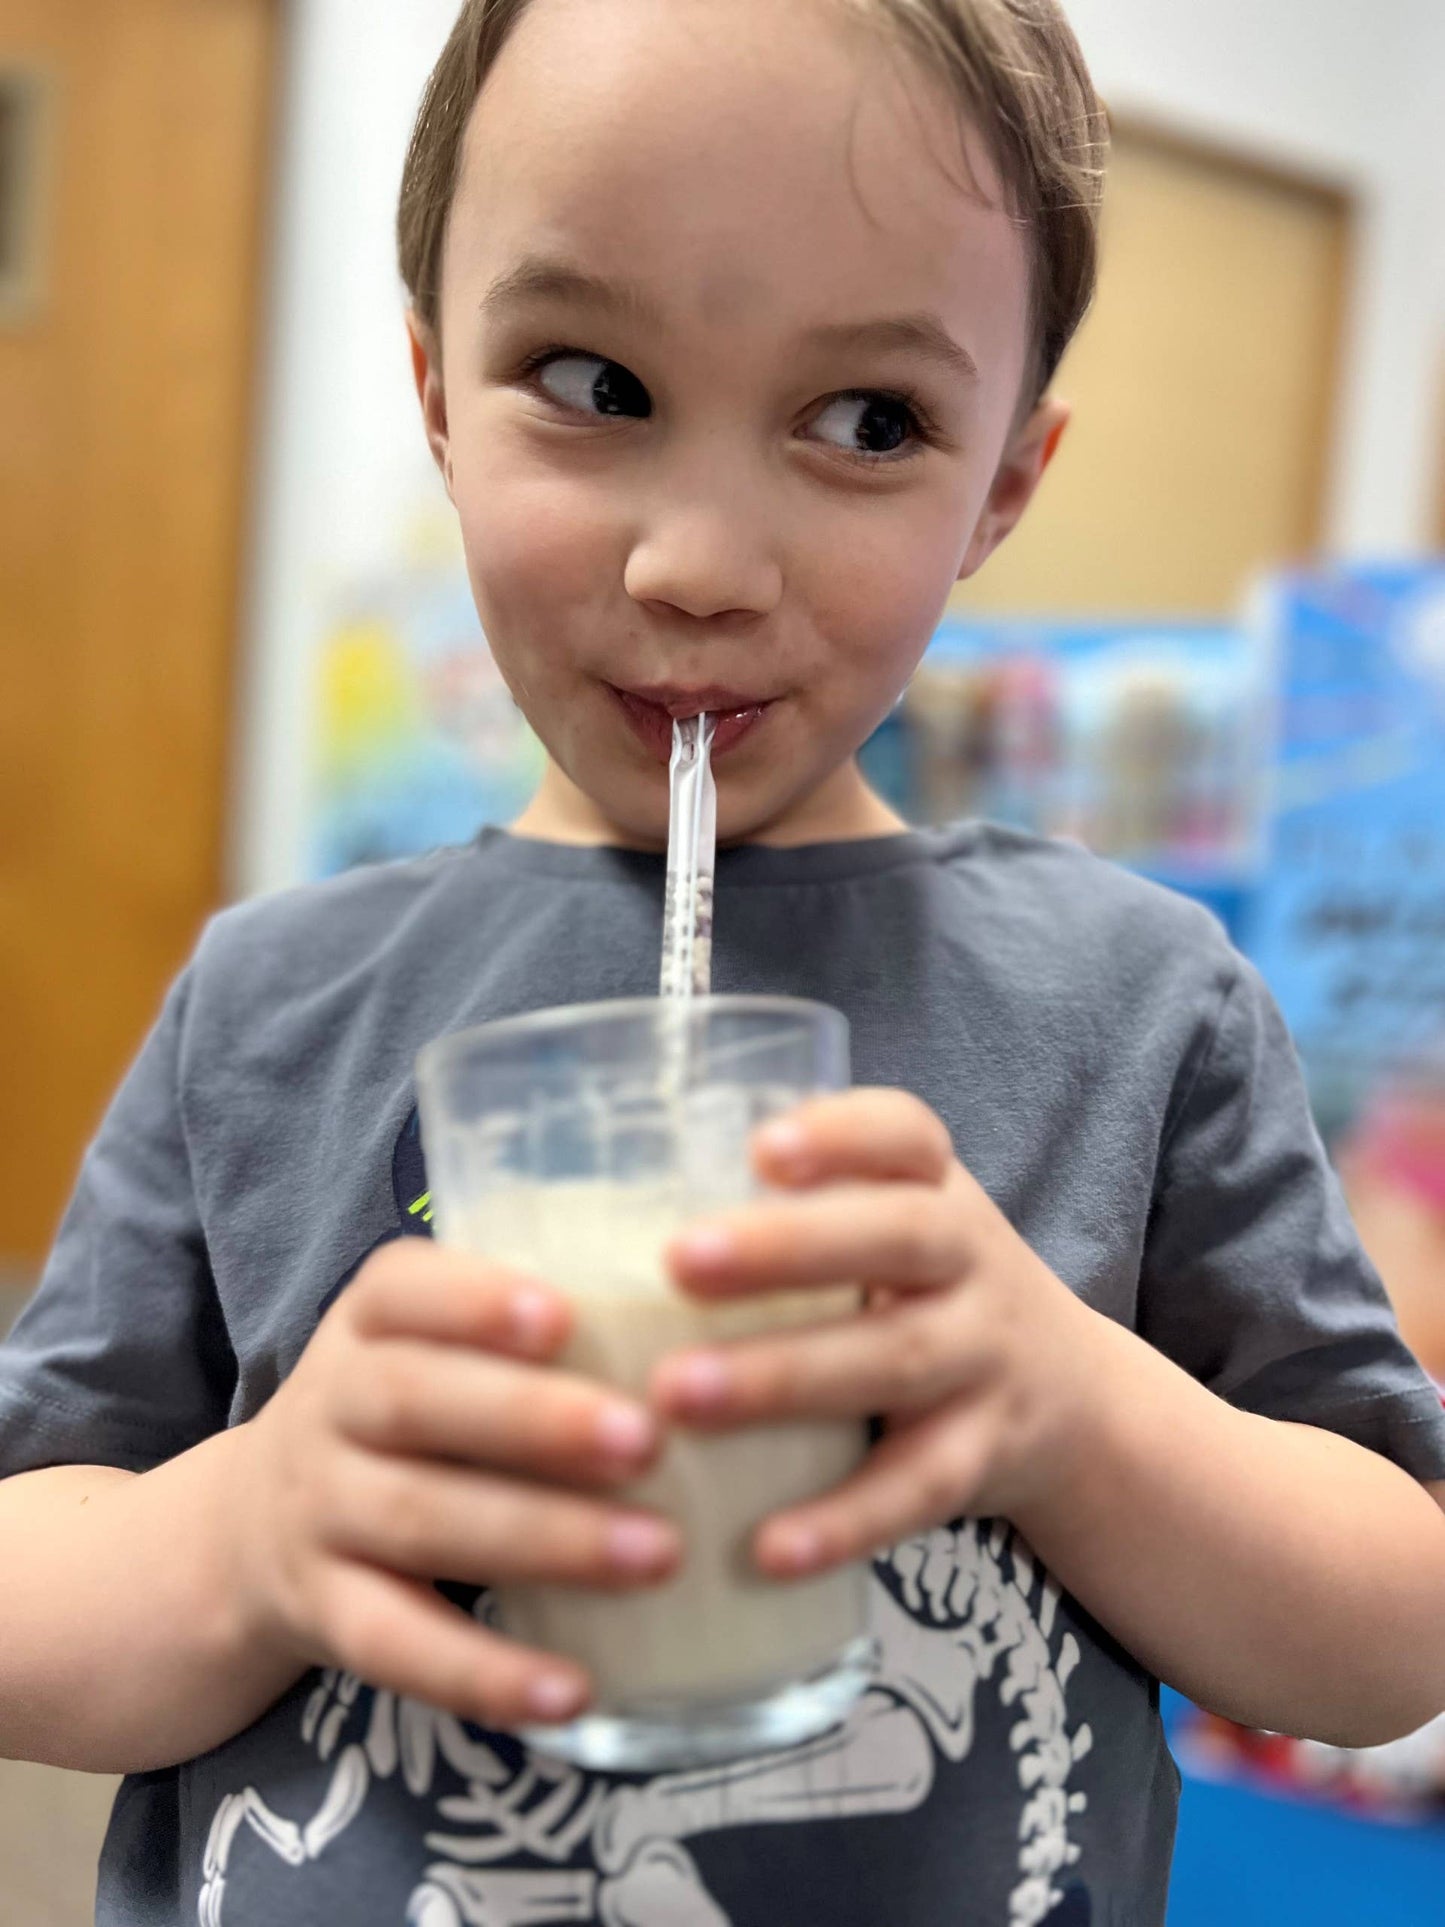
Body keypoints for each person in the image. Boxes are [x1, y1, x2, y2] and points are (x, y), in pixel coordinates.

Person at [3, 2, 1444, 1922]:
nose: (696, 561)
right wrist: (244, 1532)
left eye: (869, 423)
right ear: (438, 394)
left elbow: (1397, 1629)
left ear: (1002, 487)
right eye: (591, 380)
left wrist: (1071, 1408)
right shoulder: (268, 1007)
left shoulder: (1139, 1009)